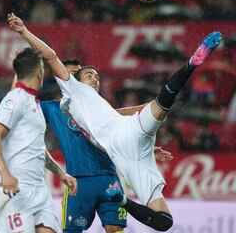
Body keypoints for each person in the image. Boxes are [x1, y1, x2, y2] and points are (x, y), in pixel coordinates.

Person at [7, 12, 222, 232]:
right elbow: (51, 56)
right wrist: (24, 31)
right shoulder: (74, 89)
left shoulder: (104, 106)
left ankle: (192, 63)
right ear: (77, 79)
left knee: (162, 102)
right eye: (89, 74)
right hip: (120, 155)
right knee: (163, 221)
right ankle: (123, 201)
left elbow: (122, 114)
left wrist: (149, 148)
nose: (95, 78)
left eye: (97, 76)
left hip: (131, 136)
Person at [41, 59, 173, 233]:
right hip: (78, 181)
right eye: (70, 74)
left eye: (76, 75)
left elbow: (121, 122)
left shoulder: (99, 106)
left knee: (115, 228)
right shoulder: (52, 109)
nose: (72, 78)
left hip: (109, 178)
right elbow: (25, 114)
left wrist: (142, 147)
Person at [0, 47, 77, 233]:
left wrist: (60, 173)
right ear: (39, 72)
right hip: (16, 189)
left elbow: (37, 148)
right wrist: (4, 174)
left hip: (39, 189)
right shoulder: (15, 99)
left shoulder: (31, 102)